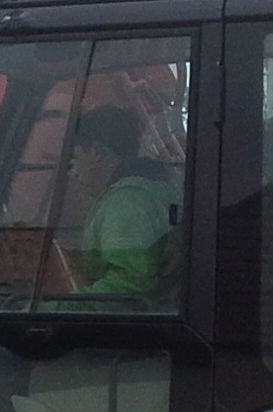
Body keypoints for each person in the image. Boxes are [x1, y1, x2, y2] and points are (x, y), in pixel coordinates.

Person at [58, 106, 181, 309]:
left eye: (75, 158)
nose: (73, 172)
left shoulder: (126, 203)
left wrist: (55, 309)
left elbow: (130, 286)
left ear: (96, 151)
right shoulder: (162, 186)